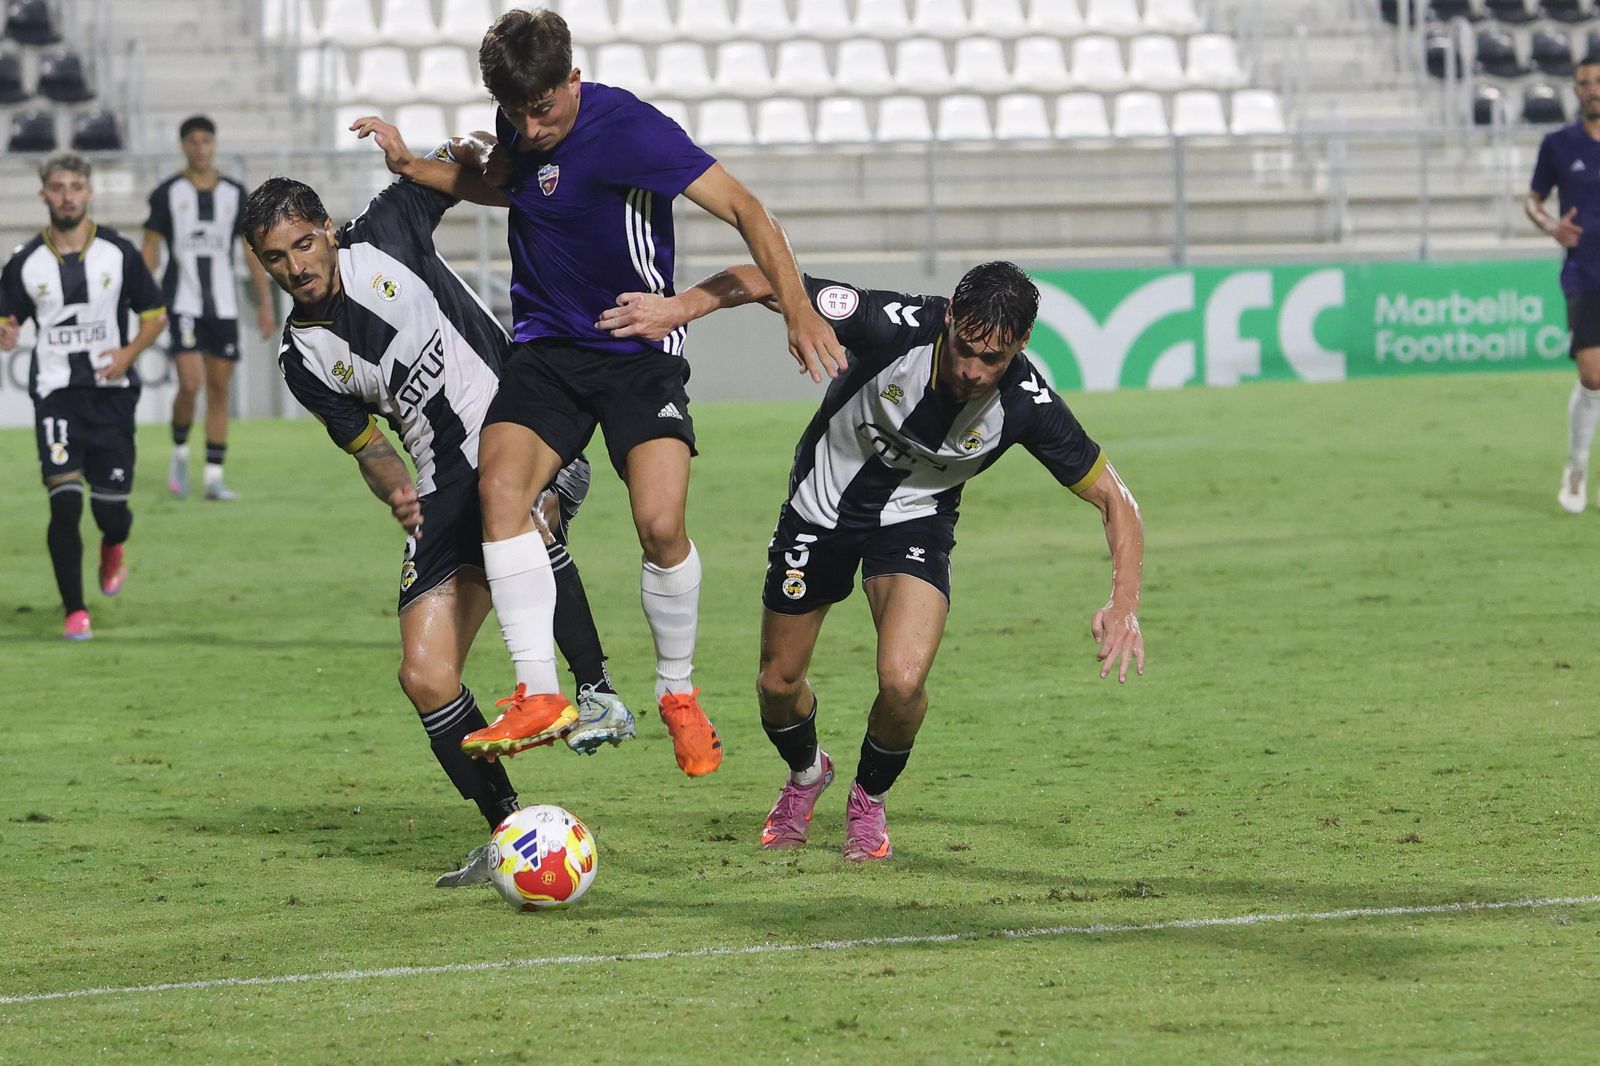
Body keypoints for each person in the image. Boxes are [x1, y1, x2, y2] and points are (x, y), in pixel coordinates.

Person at [350, 6, 847, 778]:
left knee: (658, 525)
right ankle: (540, 691)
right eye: (515, 112)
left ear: (572, 79)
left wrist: (778, 309)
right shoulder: (520, 118)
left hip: (634, 352)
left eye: (541, 108)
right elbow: (512, 183)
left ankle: (678, 694)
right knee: (501, 492)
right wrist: (414, 166)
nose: (530, 124)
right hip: (546, 352)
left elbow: (749, 209)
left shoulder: (630, 129)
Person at [599, 261, 1146, 861]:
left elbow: (1116, 501)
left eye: (993, 359)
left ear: (1021, 345)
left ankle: (869, 797)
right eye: (965, 348)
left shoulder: (1026, 404)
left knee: (904, 681)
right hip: (818, 511)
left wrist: (1124, 604)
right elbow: (765, 278)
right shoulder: (892, 325)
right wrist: (679, 309)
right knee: (777, 686)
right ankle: (808, 774)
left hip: (914, 526)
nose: (971, 369)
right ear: (950, 321)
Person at [240, 151, 636, 855]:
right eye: (276, 257)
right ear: (261, 263)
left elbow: (468, 177)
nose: (296, 266)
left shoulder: (388, 230)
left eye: (303, 243)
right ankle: (511, 833)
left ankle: (596, 688)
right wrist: (394, 488)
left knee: (510, 503)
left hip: (523, 430)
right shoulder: (303, 362)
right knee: (425, 676)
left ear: (328, 229)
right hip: (440, 485)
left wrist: (478, 151)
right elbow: (370, 446)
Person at [0, 152, 167, 640]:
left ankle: (113, 544)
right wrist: (6, 332)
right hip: (55, 395)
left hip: (112, 397)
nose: (67, 195)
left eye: (75, 186)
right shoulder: (25, 261)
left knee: (111, 512)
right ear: (44, 195)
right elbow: (6, 317)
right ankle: (75, 609)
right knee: (65, 503)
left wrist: (128, 353)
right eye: (58, 187)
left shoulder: (117, 252)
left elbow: (154, 316)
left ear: (89, 192)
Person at [142, 115, 277, 501]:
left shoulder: (235, 193)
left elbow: (252, 252)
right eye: (193, 141)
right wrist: (141, 295)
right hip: (181, 303)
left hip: (223, 307)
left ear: (214, 145)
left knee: (219, 389)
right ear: (183, 146)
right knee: (190, 384)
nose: (200, 148)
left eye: (206, 141)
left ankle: (214, 477)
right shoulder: (167, 193)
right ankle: (180, 452)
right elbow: (150, 249)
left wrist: (264, 301)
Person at [1528, 60, 1600, 515]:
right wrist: (1549, 225)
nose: (1593, 89)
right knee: (1593, 377)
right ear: (1575, 91)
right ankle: (1576, 467)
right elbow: (1533, 200)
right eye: (1585, 83)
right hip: (1585, 272)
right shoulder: (1558, 144)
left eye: (1599, 82)